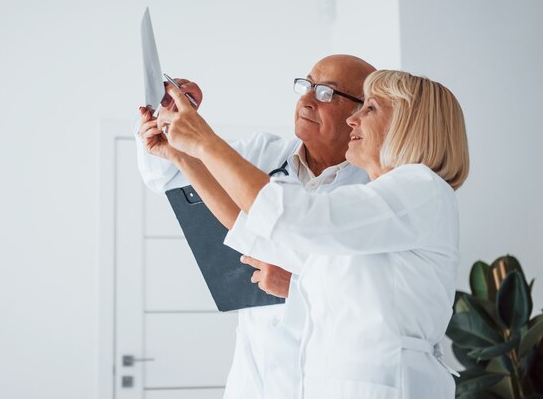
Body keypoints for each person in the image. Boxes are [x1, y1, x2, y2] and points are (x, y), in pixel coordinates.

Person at [157, 69, 470, 399]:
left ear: (408, 124)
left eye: (371, 109)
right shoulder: (379, 205)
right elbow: (256, 232)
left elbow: (290, 217)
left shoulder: (421, 189)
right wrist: (180, 156)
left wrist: (205, 141)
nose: (354, 119)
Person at [135, 55, 375, 399]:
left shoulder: (372, 188)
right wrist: (168, 124)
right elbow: (166, 176)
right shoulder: (263, 152)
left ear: (361, 115)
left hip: (330, 377)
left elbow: (371, 298)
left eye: (325, 94)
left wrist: (297, 286)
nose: (306, 99)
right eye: (306, 86)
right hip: (254, 376)